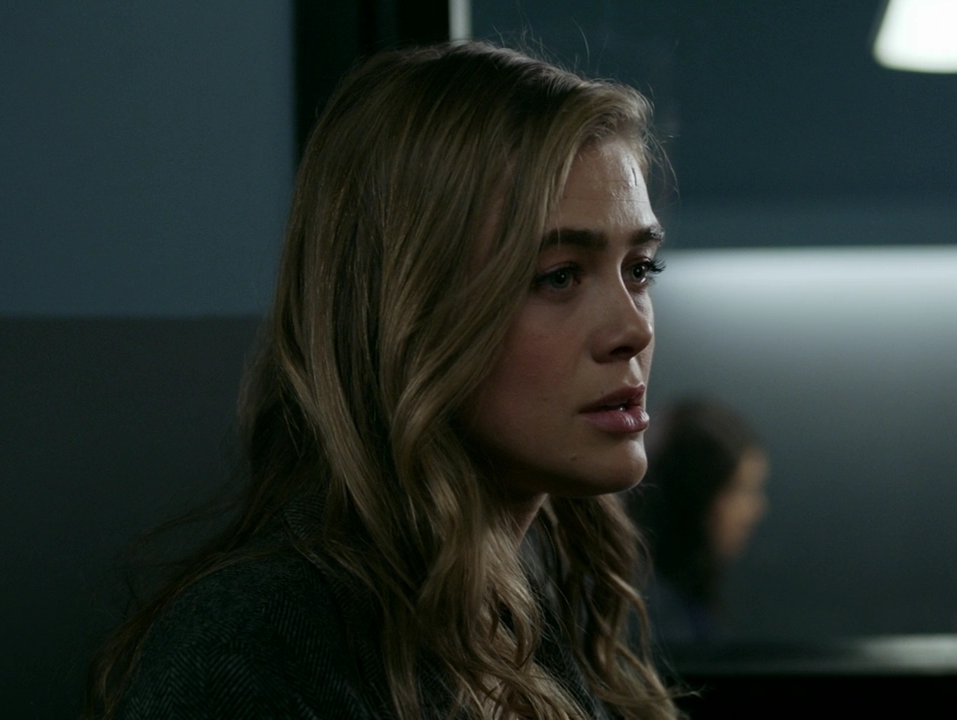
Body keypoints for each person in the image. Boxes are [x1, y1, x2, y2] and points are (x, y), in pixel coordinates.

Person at [85, 42, 681, 720]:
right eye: (559, 276)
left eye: (640, 269)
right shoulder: (251, 650)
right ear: (406, 308)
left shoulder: (520, 611)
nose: (632, 329)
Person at [631, 399, 770, 644]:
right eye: (739, 489)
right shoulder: (642, 610)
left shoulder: (682, 598)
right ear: (695, 494)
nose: (757, 509)